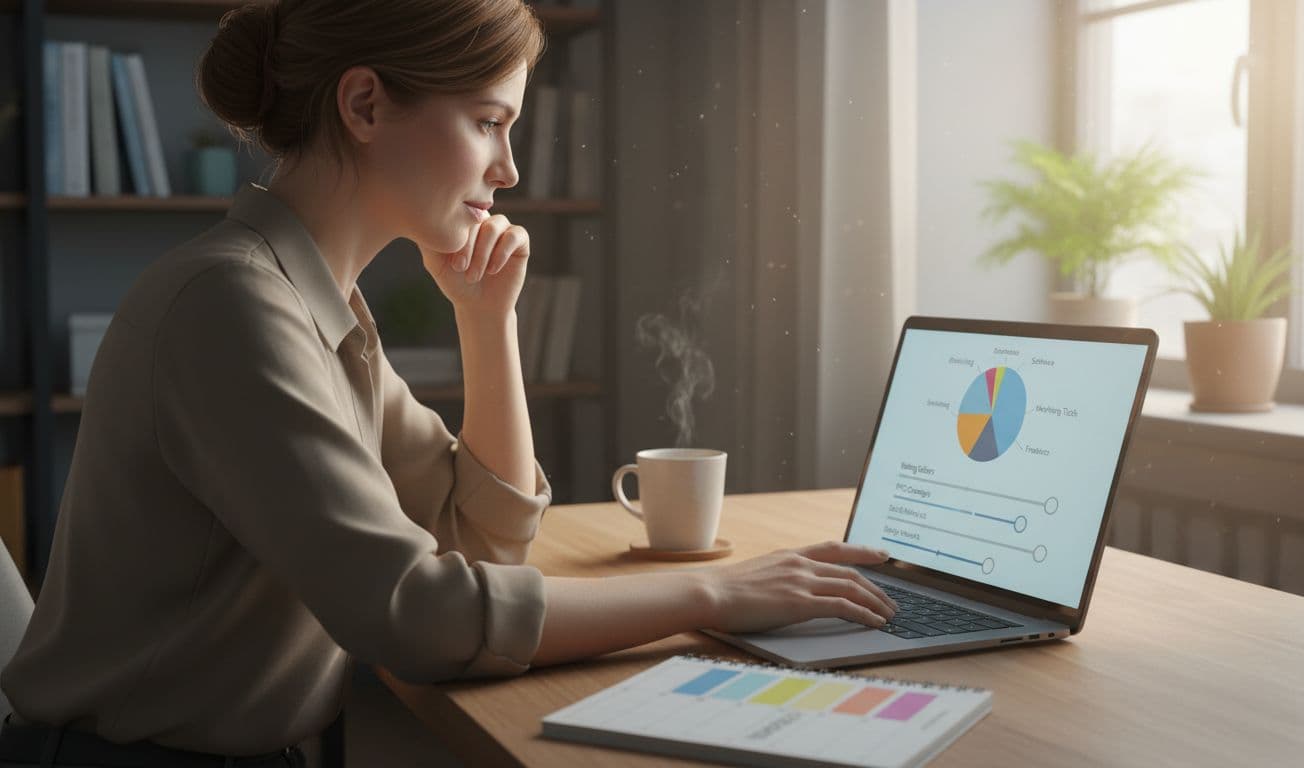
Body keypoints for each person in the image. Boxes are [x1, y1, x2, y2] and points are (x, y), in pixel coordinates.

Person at [0, 0, 897, 765]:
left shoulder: (315, 306)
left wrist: (486, 320)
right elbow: (415, 617)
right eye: (488, 122)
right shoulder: (231, 307)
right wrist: (714, 594)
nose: (509, 169)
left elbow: (483, 542)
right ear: (364, 104)